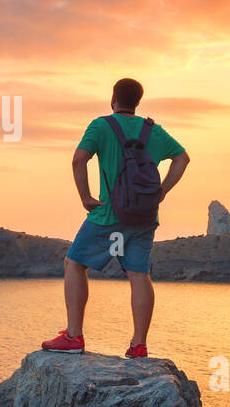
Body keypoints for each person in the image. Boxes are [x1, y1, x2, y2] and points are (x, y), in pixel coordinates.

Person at [42, 78, 189, 358]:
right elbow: (183, 158)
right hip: (145, 217)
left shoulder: (101, 126)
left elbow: (78, 160)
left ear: (113, 99)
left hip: (109, 215)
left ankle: (73, 336)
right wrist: (163, 192)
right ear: (138, 102)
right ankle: (138, 345)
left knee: (74, 264)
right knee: (139, 275)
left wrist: (85, 196)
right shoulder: (153, 130)